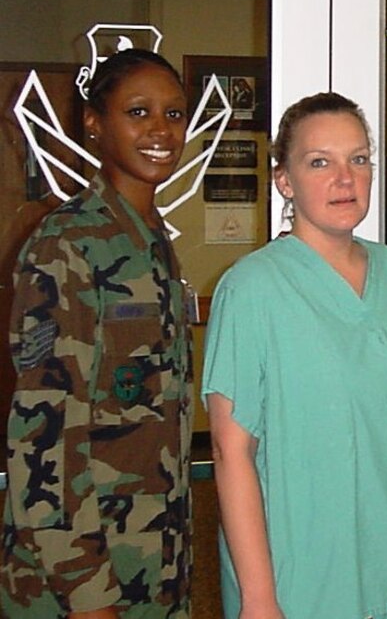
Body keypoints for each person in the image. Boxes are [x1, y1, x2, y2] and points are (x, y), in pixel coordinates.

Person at [203, 92, 387, 619]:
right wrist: (259, 599)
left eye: (358, 159)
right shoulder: (251, 289)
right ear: (284, 180)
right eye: (320, 162)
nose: (345, 178)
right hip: (299, 577)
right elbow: (232, 454)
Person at [2, 49, 194, 618]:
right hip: (78, 585)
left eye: (175, 114)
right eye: (138, 112)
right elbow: (42, 433)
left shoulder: (152, 243)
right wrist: (87, 593)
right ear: (94, 123)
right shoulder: (66, 245)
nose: (161, 130)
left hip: (152, 565)